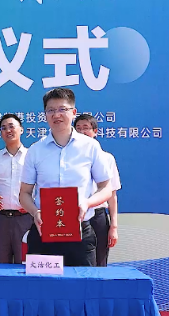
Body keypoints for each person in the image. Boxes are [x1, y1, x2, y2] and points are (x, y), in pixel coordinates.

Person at [18, 88, 112, 266]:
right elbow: (24, 193)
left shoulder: (90, 147)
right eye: (51, 110)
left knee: (83, 283)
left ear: (73, 112)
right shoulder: (35, 150)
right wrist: (35, 212)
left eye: (62, 109)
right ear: (45, 115)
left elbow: (106, 188)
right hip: (43, 232)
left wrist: (87, 203)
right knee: (41, 283)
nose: (56, 115)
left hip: (80, 232)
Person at [74, 114, 122, 266]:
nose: (82, 132)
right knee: (77, 261)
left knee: (100, 260)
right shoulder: (70, 159)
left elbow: (112, 195)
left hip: (98, 216)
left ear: (95, 131)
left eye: (86, 128)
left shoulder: (107, 158)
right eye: (78, 128)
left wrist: (113, 226)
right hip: (76, 215)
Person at [0, 113, 33, 264]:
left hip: (25, 219)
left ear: (21, 130)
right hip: (0, 220)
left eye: (11, 126)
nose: (8, 131)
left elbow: (41, 187)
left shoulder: (31, 157)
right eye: (3, 128)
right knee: (0, 264)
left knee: (25, 265)